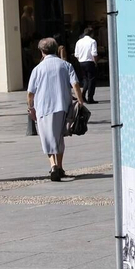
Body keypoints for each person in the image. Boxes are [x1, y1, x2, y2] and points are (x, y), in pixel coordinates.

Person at [26, 37, 83, 182]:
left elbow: (30, 93)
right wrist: (80, 101)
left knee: (47, 137)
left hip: (43, 107)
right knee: (59, 137)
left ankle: (53, 166)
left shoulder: (38, 69)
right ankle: (60, 166)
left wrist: (30, 107)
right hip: (63, 105)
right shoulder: (65, 65)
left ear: (41, 51)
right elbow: (75, 84)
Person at [73, 26, 99, 104]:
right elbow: (94, 53)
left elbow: (76, 54)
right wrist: (96, 62)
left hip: (81, 62)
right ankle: (90, 97)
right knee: (91, 80)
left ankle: (83, 95)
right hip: (90, 62)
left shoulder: (79, 41)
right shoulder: (92, 41)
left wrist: (80, 59)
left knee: (85, 79)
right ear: (92, 33)